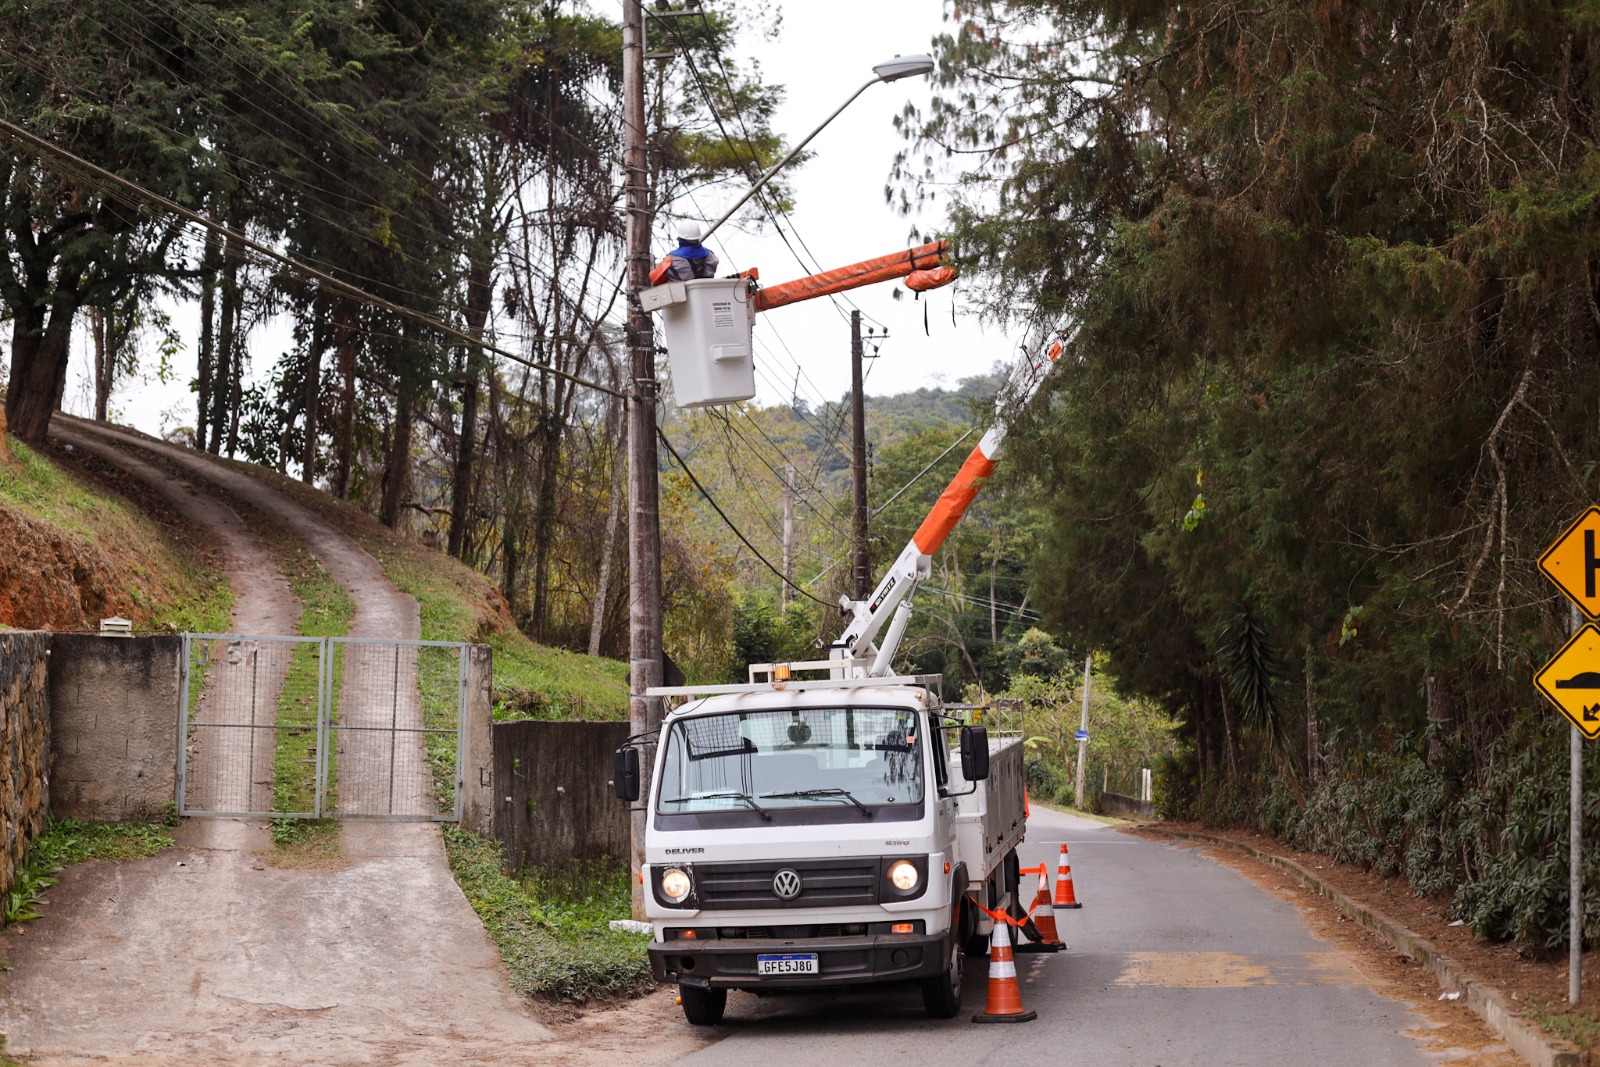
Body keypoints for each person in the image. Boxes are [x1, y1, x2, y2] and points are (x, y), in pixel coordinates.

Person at [651, 220, 719, 284]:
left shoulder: (671, 259)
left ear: (680, 239)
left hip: (681, 292)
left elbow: (654, 278)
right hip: (708, 290)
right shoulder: (711, 256)